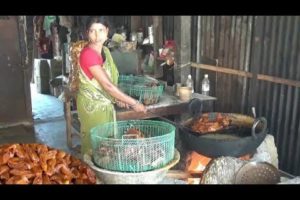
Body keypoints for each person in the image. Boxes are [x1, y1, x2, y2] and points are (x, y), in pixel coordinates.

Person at [77, 16, 147, 156]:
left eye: (101, 30)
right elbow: (108, 86)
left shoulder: (106, 52)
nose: (97, 36)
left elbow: (110, 81)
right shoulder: (88, 55)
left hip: (105, 103)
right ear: (87, 32)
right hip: (92, 107)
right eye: (92, 31)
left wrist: (117, 99)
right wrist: (134, 103)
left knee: (106, 147)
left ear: (107, 31)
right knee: (94, 146)